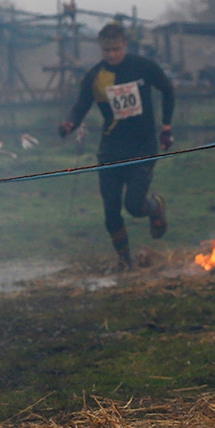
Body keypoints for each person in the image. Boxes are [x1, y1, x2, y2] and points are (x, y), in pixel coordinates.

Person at [59, 20, 175, 268]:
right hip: (110, 150)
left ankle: (155, 205)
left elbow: (167, 90)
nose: (112, 55)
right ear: (101, 50)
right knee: (111, 212)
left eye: (116, 49)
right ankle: (125, 260)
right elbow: (81, 105)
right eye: (106, 51)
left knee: (133, 205)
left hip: (142, 148)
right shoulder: (95, 76)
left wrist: (166, 127)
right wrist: (69, 123)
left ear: (125, 45)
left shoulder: (143, 67)